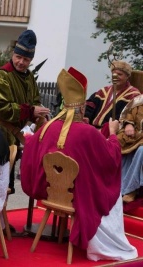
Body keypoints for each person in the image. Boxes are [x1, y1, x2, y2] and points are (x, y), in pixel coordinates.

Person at [21, 67, 138, 261]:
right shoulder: (87, 132)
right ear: (82, 107)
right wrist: (113, 133)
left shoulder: (48, 127)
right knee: (109, 187)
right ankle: (107, 240)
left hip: (49, 192)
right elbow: (109, 157)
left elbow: (32, 146)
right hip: (75, 196)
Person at [0, 29, 50, 194]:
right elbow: (1, 108)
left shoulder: (29, 77)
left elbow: (34, 101)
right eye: (18, 57)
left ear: (31, 60)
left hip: (13, 135)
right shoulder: (2, 76)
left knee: (7, 182)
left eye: (26, 59)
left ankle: (2, 218)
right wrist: (30, 111)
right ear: (13, 54)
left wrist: (40, 114)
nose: (21, 62)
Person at [85, 60, 140, 129]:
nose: (116, 77)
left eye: (120, 74)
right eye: (114, 74)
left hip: (114, 131)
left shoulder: (134, 95)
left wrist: (127, 124)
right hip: (92, 129)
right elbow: (89, 106)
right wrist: (85, 118)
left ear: (127, 77)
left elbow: (133, 114)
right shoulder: (102, 91)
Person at [117, 94, 143, 202]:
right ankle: (118, 189)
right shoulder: (139, 101)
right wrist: (128, 124)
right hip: (137, 138)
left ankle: (130, 190)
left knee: (141, 150)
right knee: (122, 145)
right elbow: (127, 116)